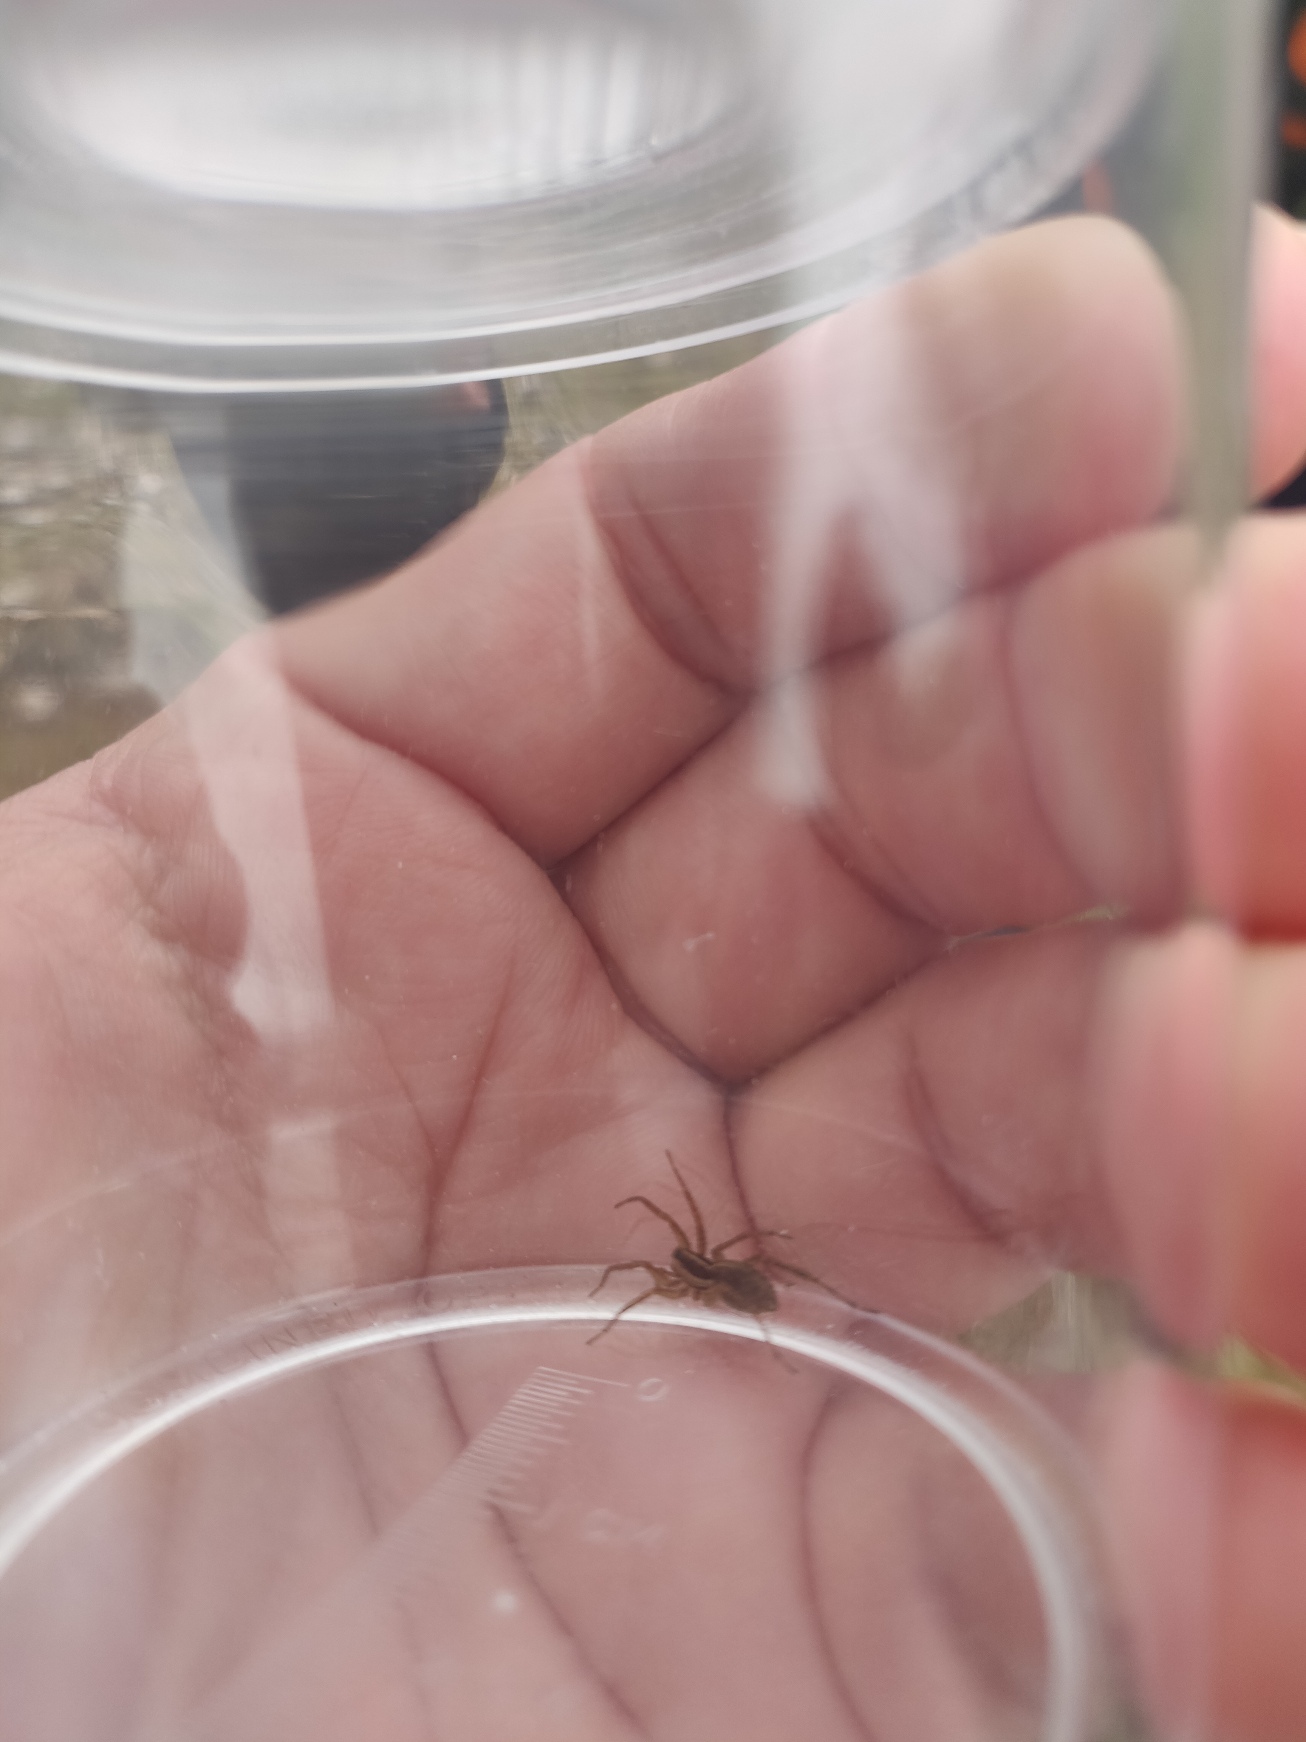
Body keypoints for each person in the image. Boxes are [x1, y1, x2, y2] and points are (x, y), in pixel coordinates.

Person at [3, 209, 1306, 1740]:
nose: (683, 1260)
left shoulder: (712, 1261)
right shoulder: (688, 1261)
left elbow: (714, 1257)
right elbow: (688, 1255)